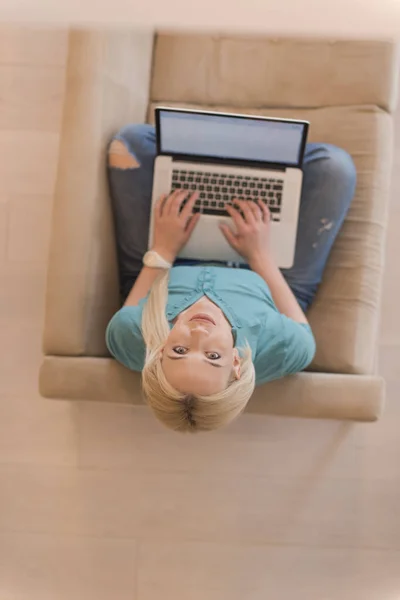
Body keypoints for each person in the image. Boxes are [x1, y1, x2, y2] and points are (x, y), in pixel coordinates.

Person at [106, 124, 356, 433]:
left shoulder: (131, 338)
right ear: (236, 363)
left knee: (129, 143)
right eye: (212, 355)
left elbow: (137, 294)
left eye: (179, 350)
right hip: (261, 278)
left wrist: (163, 248)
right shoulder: (279, 346)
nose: (198, 332)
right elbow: (304, 336)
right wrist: (261, 255)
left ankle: (218, 146)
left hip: (168, 265)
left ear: (157, 354)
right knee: (335, 166)